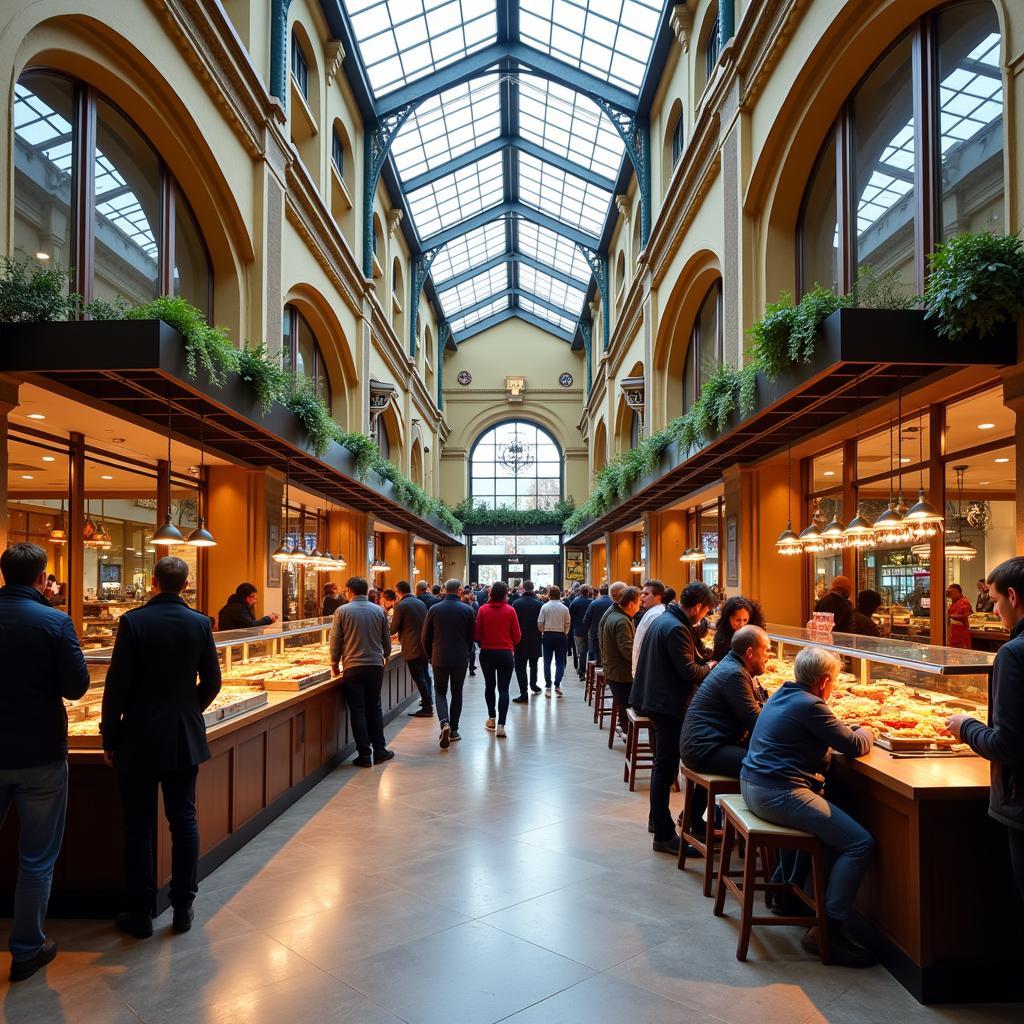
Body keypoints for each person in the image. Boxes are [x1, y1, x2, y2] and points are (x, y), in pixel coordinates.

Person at [101, 556, 222, 939]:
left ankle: (140, 914)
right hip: (183, 737)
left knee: (137, 828)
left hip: (137, 736)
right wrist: (190, 709)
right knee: (184, 820)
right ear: (185, 584)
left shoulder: (133, 621)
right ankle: (183, 906)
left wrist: (110, 736)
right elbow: (213, 681)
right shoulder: (200, 623)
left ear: (153, 582)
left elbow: (116, 685)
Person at [740, 644, 875, 967]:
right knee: (859, 843)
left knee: (832, 834)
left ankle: (791, 894)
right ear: (825, 681)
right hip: (778, 793)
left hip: (754, 785)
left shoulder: (783, 694)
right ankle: (827, 932)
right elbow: (855, 746)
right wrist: (867, 728)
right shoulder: (812, 705)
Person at [0, 543, 90, 981]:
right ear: (42, 579)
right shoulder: (55, 621)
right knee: (36, 859)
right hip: (40, 754)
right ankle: (26, 950)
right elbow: (76, 687)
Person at [948, 557, 1024, 905]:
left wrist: (967, 727)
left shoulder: (1013, 654)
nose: (994, 611)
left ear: (1013, 596)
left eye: (994, 601)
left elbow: (1006, 743)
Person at [631, 581, 715, 854]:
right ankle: (664, 835)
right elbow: (689, 672)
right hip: (665, 703)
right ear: (699, 607)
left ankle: (658, 821)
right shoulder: (676, 627)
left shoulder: (666, 618)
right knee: (665, 767)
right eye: (705, 612)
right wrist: (710, 667)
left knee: (662, 766)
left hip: (656, 699)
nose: (703, 618)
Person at [680, 625, 770, 830]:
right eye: (765, 650)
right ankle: (751, 827)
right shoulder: (734, 675)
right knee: (762, 766)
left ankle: (691, 818)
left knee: (755, 755)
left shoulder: (733, 666)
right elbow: (755, 721)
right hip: (704, 748)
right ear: (750, 652)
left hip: (702, 743)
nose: (768, 656)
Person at [330, 577, 394, 767]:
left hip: (352, 667)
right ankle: (380, 750)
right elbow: (386, 640)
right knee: (374, 707)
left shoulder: (341, 611)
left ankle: (364, 755)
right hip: (375, 666)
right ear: (366, 591)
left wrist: (334, 663)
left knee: (357, 710)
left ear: (349, 590)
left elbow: (335, 641)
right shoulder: (379, 611)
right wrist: (386, 655)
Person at [421, 579, 477, 748]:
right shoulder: (467, 610)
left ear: (445, 590)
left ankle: (444, 722)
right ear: (460, 590)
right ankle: (454, 730)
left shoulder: (434, 609)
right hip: (460, 657)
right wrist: (467, 653)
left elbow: (425, 637)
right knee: (457, 692)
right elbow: (471, 637)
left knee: (440, 691)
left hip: (440, 656)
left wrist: (430, 656)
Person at [476, 581, 520, 737]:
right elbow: (517, 636)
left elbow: (477, 634)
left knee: (489, 686)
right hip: (506, 653)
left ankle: (491, 718)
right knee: (504, 689)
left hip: (487, 653)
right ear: (505, 594)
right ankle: (501, 725)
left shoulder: (483, 609)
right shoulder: (510, 611)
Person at [600, 585, 641, 734]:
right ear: (631, 603)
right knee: (627, 707)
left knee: (624, 707)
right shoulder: (622, 621)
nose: (640, 606)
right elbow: (627, 650)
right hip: (622, 673)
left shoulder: (614, 614)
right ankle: (628, 735)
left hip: (614, 670)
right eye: (638, 603)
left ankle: (626, 732)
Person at [390, 581, 433, 718]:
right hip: (423, 645)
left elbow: (392, 629)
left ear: (398, 591)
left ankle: (427, 707)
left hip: (411, 646)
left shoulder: (400, 605)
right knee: (425, 675)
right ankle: (428, 701)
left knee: (418, 677)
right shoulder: (419, 603)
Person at [512, 580, 543, 703]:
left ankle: (523, 692)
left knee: (520, 667)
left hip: (520, 639)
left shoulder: (516, 603)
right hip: (535, 638)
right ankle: (533, 685)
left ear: (523, 589)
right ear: (533, 588)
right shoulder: (539, 604)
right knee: (534, 665)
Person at [539, 584, 572, 697]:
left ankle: (548, 686)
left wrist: (543, 630)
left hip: (547, 635)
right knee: (560, 662)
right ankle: (557, 684)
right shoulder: (564, 608)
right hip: (560, 636)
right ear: (559, 595)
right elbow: (568, 623)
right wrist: (564, 632)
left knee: (547, 662)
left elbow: (540, 622)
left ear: (549, 595)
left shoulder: (545, 607)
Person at [711, 596, 765, 663]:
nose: (742, 625)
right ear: (728, 618)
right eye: (738, 620)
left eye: (745, 620)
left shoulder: (752, 633)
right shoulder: (721, 639)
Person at [632, 579, 668, 678]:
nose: (642, 597)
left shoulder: (656, 614)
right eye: (642, 593)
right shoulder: (652, 611)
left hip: (649, 670)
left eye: (646, 594)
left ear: (658, 598)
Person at [569, 585, 593, 679]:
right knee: (588, 652)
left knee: (580, 652)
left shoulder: (574, 602)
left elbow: (570, 616)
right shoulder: (592, 602)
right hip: (589, 630)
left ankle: (581, 670)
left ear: (580, 591)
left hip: (578, 630)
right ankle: (587, 671)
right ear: (588, 592)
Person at [947, 582, 973, 649]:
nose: (949, 595)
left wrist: (951, 616)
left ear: (956, 592)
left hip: (960, 634)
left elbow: (965, 616)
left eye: (951, 593)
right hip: (954, 634)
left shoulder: (964, 601)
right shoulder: (955, 601)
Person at [461, 587, 479, 674]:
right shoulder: (472, 607)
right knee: (472, 650)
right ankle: (471, 667)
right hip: (469, 632)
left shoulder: (460, 606)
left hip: (461, 632)